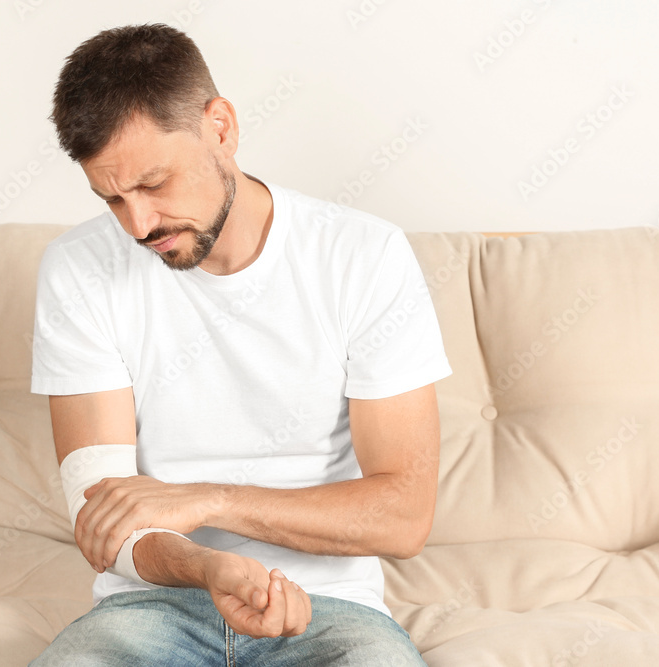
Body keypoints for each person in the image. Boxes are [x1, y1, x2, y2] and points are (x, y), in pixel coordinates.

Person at [29, 22, 451, 666]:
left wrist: (211, 498)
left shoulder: (364, 256)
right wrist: (206, 567)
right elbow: (105, 521)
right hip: (150, 604)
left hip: (330, 610)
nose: (138, 225)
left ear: (220, 128)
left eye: (152, 184)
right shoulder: (77, 268)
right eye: (112, 198)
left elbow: (403, 516)